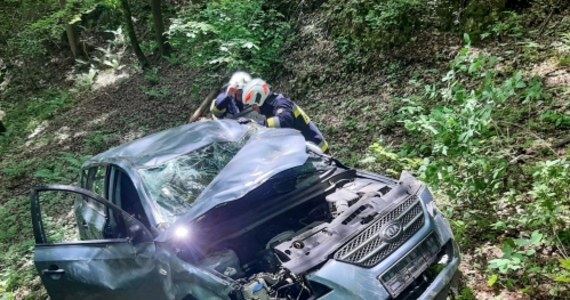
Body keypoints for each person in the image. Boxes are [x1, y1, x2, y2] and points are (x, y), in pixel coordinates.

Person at [241, 78, 329, 153]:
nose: (253, 108)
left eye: (253, 104)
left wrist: (257, 125)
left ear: (259, 99)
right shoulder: (271, 108)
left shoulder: (281, 103)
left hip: (318, 151)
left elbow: (283, 121)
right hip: (306, 150)